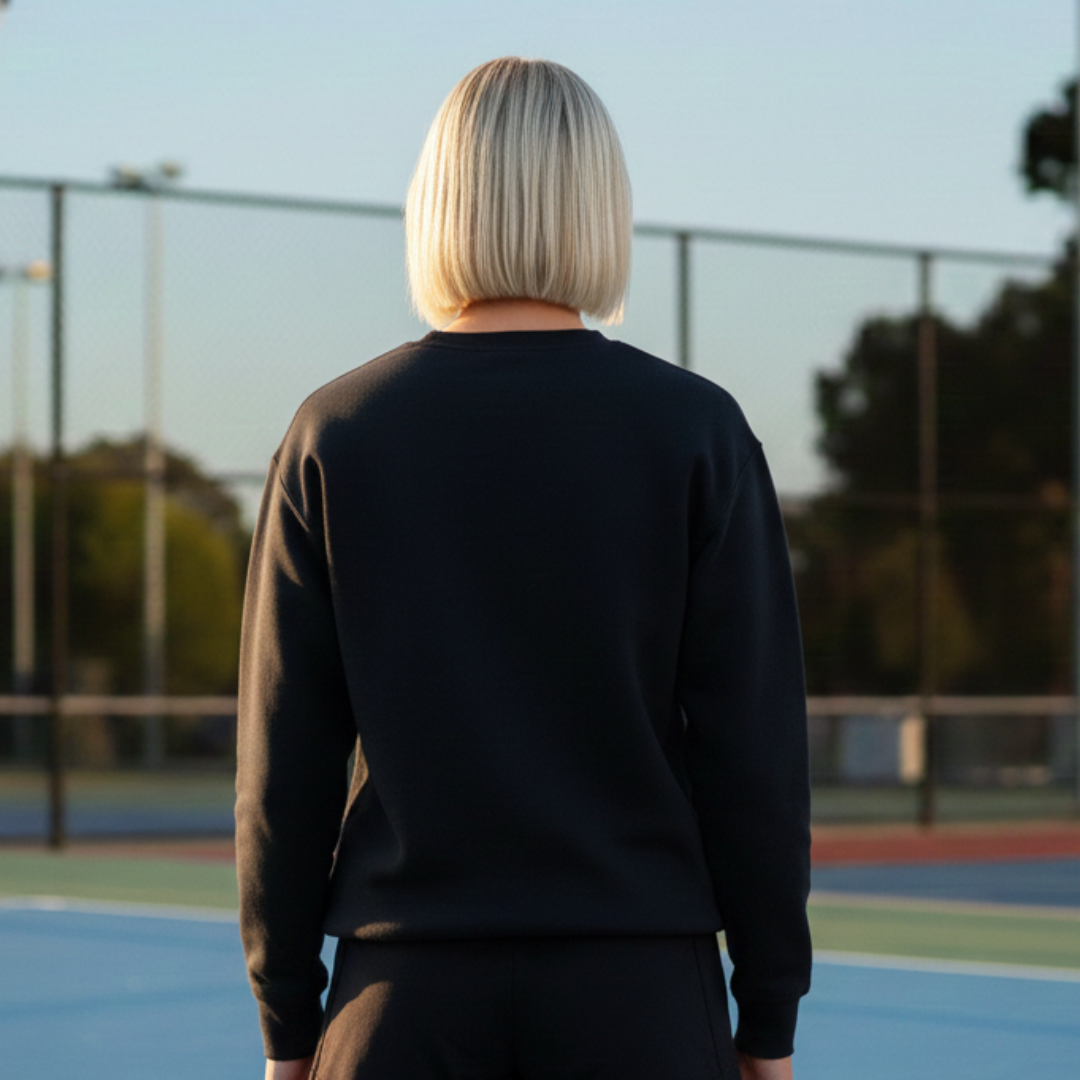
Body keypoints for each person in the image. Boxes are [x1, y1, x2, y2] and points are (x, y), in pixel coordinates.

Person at [235, 56, 811, 1080]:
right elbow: (753, 757)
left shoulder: (336, 432)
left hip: (397, 1002)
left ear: (436, 201)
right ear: (601, 206)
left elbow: (286, 765)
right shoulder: (696, 430)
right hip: (640, 999)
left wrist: (287, 1020)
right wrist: (766, 1016)